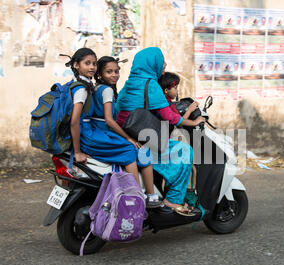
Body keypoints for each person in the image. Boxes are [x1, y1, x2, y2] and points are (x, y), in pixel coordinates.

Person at [66, 48, 161, 208]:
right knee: (134, 151)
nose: (114, 75)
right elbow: (109, 120)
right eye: (109, 72)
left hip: (95, 131)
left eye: (116, 71)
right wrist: (128, 138)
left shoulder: (93, 87)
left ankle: (148, 194)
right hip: (97, 132)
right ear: (100, 74)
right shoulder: (102, 90)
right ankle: (141, 195)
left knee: (139, 151)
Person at [116, 47, 204, 215]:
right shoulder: (152, 85)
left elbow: (117, 109)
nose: (164, 64)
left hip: (127, 136)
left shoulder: (129, 84)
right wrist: (190, 122)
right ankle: (173, 200)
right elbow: (169, 117)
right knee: (184, 151)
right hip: (143, 137)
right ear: (152, 63)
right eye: (160, 61)